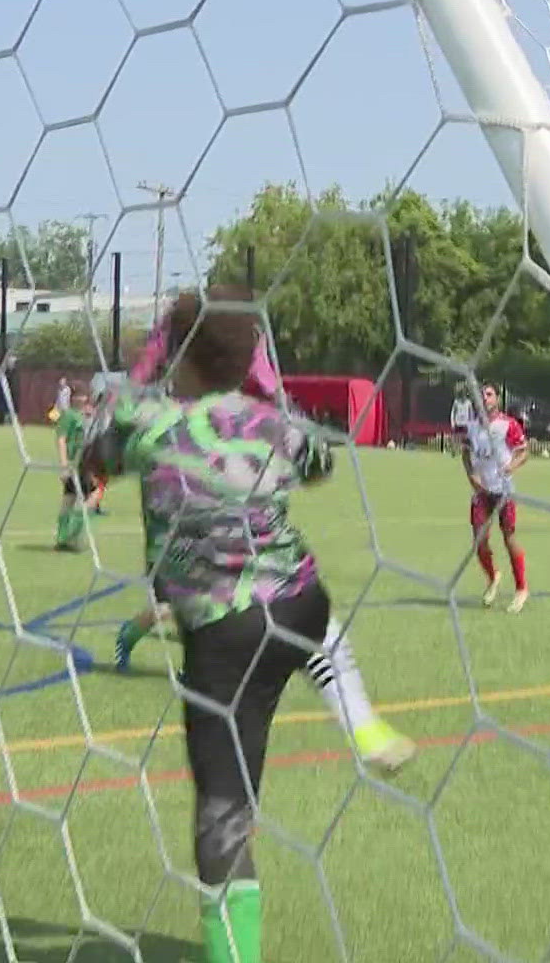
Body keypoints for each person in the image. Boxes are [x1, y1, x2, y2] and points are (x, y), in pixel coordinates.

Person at [81, 288, 376, 963]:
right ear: (250, 361)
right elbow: (322, 461)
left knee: (222, 817)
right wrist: (268, 386)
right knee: (298, 663)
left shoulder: (152, 422)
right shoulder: (270, 423)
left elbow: (91, 459)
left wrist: (140, 370)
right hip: (295, 608)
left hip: (221, 629)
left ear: (173, 354)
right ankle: (354, 706)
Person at [112, 306, 413, 776]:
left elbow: (111, 430)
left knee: (289, 637)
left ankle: (361, 729)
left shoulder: (183, 418)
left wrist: (145, 362)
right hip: (218, 564)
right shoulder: (226, 419)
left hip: (209, 568)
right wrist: (271, 384)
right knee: (308, 631)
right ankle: (362, 725)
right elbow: (314, 453)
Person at [458, 383, 530, 612]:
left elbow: (524, 451)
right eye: (481, 395)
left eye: (489, 394)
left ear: (497, 399)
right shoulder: (472, 427)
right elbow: (466, 454)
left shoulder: (507, 424)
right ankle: (493, 577)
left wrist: (511, 467)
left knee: (509, 537)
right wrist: (472, 475)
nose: (485, 398)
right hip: (482, 492)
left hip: (504, 491)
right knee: (479, 540)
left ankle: (521, 588)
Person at [52, 391, 106, 551]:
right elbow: (61, 439)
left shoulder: (85, 415)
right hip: (81, 464)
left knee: (69, 498)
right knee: (93, 495)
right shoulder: (69, 415)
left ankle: (63, 538)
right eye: (79, 395)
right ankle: (73, 537)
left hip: (80, 463)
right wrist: (63, 464)